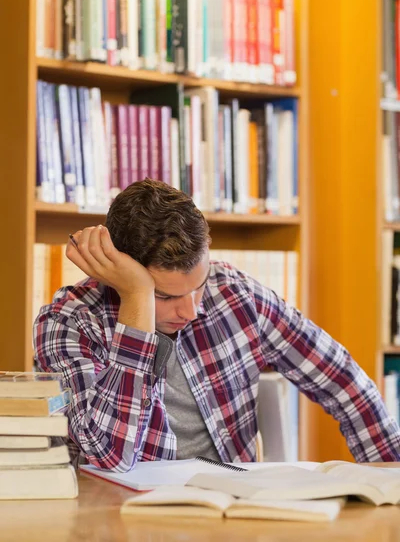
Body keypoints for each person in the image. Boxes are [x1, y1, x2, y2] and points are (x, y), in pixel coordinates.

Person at [34, 179, 400, 471]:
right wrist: (137, 301)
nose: (190, 310)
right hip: (119, 520)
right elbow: (109, 455)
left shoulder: (235, 294)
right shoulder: (68, 323)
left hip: (232, 513)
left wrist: (391, 482)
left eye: (199, 285)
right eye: (164, 296)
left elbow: (344, 382)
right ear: (118, 275)